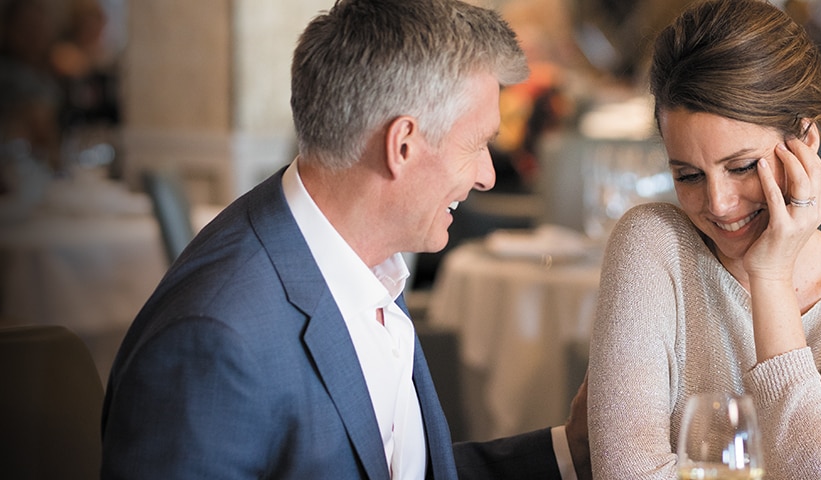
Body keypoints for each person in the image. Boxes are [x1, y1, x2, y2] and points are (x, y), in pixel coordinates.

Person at [100, 0, 586, 478]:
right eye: (477, 143)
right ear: (402, 146)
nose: (486, 176)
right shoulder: (214, 341)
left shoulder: (362, 258)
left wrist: (568, 453)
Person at [584, 0, 821, 478]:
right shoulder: (652, 244)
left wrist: (770, 277)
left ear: (805, 143)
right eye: (688, 175)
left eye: (742, 166)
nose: (719, 203)